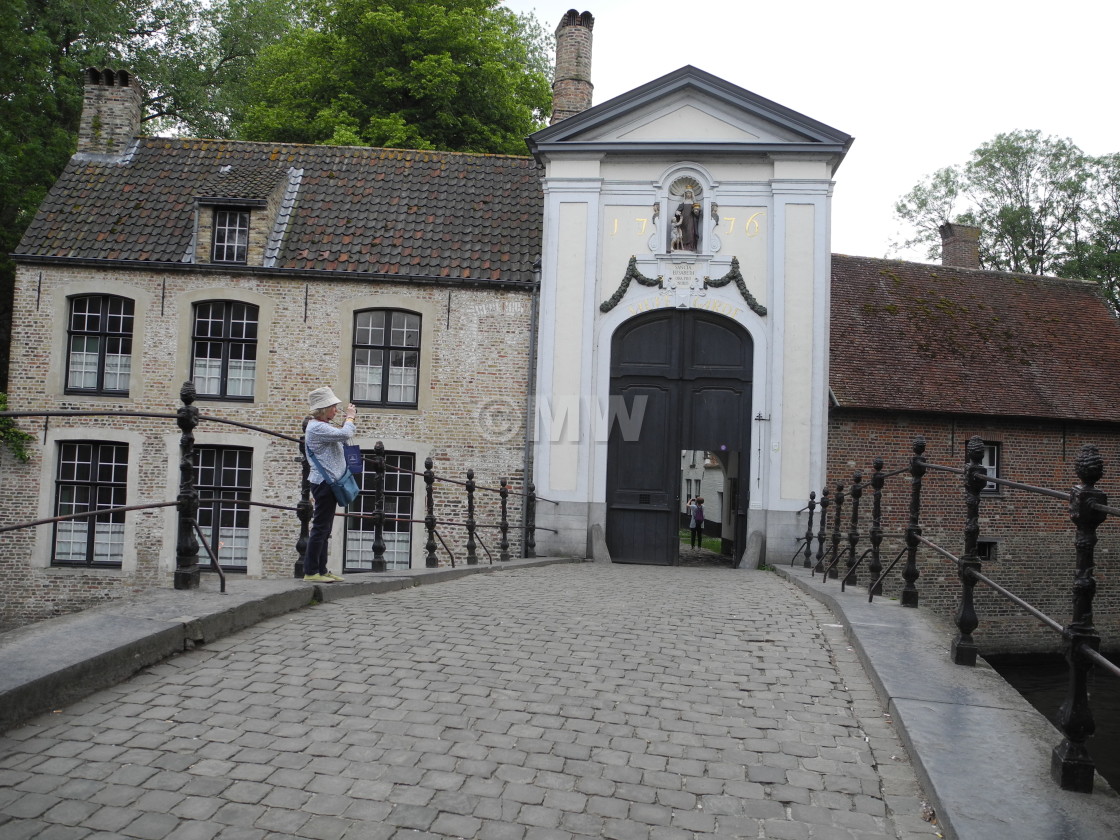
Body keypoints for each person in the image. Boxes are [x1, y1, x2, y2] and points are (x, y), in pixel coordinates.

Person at [303, 386, 357, 582]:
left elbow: (341, 434)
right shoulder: (316, 427)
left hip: (329, 483)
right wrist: (350, 417)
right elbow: (345, 434)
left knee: (325, 529)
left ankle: (322, 569)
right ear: (323, 409)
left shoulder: (321, 426)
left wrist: (346, 422)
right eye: (333, 407)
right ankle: (311, 572)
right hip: (324, 483)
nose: (336, 410)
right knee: (320, 528)